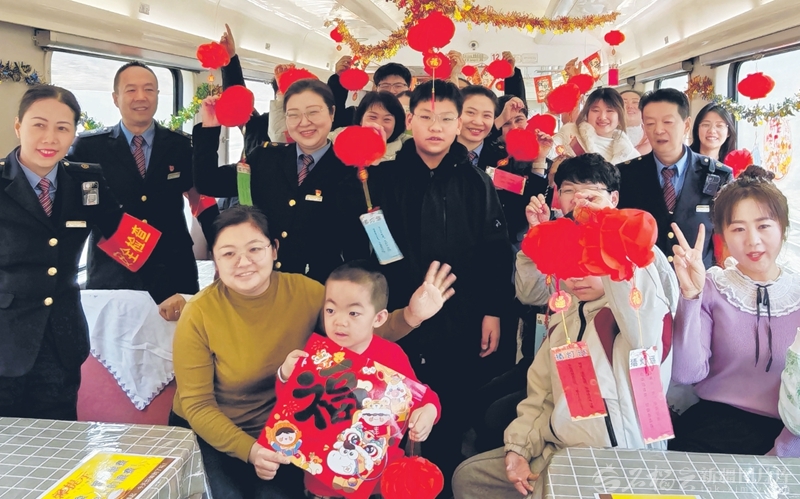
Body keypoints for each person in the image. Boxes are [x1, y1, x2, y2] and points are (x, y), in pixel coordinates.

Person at [171, 205, 456, 499]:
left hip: (284, 429)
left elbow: (356, 332)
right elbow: (198, 405)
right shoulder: (199, 313)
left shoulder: (305, 292)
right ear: (215, 259)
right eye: (228, 253)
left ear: (274, 249)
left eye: (254, 249)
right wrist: (250, 450)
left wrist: (411, 315)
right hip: (213, 430)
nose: (243, 261)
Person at [452, 154, 675, 499]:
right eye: (569, 190)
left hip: (617, 461)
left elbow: (643, 318)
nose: (576, 275)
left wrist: (608, 231)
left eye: (589, 263)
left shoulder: (630, 306)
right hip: (559, 448)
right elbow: (541, 393)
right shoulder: (566, 316)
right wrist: (518, 449)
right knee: (469, 478)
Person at [374, 79, 511, 496]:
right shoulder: (381, 178)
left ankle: (442, 483)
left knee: (449, 407)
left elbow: (495, 251)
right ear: (410, 120)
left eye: (447, 119)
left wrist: (493, 310)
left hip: (460, 314)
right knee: (388, 408)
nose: (436, 127)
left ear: (458, 125)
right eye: (427, 117)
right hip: (397, 313)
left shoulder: (476, 182)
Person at [0, 85, 150, 419]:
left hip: (62, 340)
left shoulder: (86, 183)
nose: (49, 138)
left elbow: (127, 240)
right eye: (39, 125)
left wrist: (168, 291)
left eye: (62, 128)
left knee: (59, 436)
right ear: (18, 127)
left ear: (73, 134)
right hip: (5, 339)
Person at [271, 260, 442, 498]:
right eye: (330, 310)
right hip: (323, 482)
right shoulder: (317, 357)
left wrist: (429, 412)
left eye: (353, 313)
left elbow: (422, 397)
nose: (339, 321)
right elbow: (291, 406)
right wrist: (285, 374)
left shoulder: (391, 355)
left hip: (379, 480)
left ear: (378, 318)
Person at [69, 60, 219, 319]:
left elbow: (201, 202)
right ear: (115, 98)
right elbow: (81, 210)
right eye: (131, 90)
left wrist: (222, 249)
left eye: (149, 89)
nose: (141, 97)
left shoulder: (180, 146)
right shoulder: (89, 149)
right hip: (114, 271)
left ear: (158, 95)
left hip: (175, 267)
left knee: (180, 342)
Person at [669, 165, 800, 455]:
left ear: (783, 227)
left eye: (763, 226)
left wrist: (782, 454)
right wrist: (691, 296)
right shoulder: (713, 286)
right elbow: (686, 373)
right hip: (711, 431)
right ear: (723, 236)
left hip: (788, 437)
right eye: (738, 229)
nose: (752, 240)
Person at [194, 79, 350, 284]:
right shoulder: (265, 158)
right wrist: (210, 128)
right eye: (293, 114)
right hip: (263, 282)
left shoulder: (349, 170)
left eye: (313, 112)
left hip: (318, 288)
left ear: (332, 113)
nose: (304, 122)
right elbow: (208, 182)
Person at [617, 88, 733, 268]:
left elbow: (727, 236)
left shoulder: (718, 175)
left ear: (686, 125)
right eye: (650, 123)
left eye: (668, 122)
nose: (658, 130)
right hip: (645, 279)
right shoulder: (625, 175)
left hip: (698, 278)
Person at [548, 87, 639, 164]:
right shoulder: (570, 132)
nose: (602, 117)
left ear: (619, 117)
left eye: (609, 111)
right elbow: (548, 155)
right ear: (587, 114)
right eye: (595, 110)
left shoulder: (630, 155)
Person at [620, 89, 651, 155]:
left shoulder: (653, 137)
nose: (630, 106)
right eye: (624, 102)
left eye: (635, 102)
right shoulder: (605, 137)